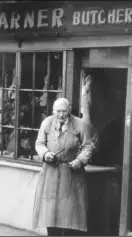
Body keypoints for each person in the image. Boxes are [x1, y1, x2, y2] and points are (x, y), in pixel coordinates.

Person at [32, 97, 95, 236]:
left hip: (71, 173)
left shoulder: (79, 124)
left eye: (64, 111)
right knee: (50, 213)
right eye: (58, 111)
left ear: (69, 110)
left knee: (70, 214)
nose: (61, 115)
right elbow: (39, 143)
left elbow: (88, 146)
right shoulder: (47, 123)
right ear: (54, 111)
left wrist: (80, 160)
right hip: (50, 173)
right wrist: (45, 154)